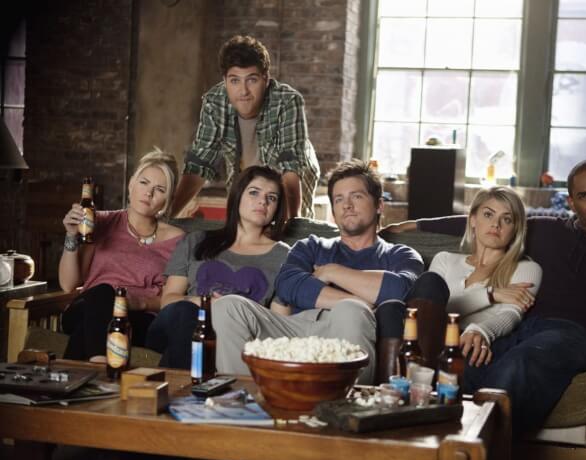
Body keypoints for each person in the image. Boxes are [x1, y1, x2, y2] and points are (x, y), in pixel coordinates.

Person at [384, 160, 586, 435]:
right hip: (524, 329)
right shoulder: (549, 230)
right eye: (584, 196)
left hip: (579, 339)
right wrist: (412, 226)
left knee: (521, 364)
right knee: (465, 365)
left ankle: (474, 451)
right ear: (571, 202)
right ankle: (433, 442)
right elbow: (490, 220)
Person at [211, 160, 424, 384]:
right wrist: (367, 299)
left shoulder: (401, 255)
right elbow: (288, 284)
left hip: (349, 329)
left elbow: (401, 290)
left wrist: (331, 271)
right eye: (339, 199)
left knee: (350, 310)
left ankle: (348, 403)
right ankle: (243, 397)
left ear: (379, 205)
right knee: (228, 306)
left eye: (356, 196)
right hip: (295, 329)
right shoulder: (312, 246)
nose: (347, 205)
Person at [145, 165, 290, 368]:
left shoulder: (285, 257)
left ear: (277, 209)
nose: (262, 201)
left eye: (271, 198)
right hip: (180, 322)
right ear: (237, 197)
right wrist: (209, 304)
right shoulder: (196, 241)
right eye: (254, 192)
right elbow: (168, 301)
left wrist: (231, 312)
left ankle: (185, 383)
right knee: (184, 313)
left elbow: (278, 324)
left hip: (235, 336)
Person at [171, 34, 320, 220]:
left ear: (265, 79)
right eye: (235, 81)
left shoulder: (287, 102)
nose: (243, 91)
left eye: (252, 80)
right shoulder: (215, 102)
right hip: (244, 178)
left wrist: (291, 225)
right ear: (225, 80)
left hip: (293, 178)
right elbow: (200, 165)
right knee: (243, 228)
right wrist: (168, 216)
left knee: (294, 225)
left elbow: (290, 168)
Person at [60, 148, 185, 360]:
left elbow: (170, 297)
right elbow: (68, 284)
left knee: (93, 326)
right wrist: (71, 235)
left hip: (138, 317)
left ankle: (77, 375)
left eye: (159, 189)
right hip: (90, 305)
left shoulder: (178, 239)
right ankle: (100, 364)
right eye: (144, 183)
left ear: (168, 200)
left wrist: (138, 302)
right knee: (104, 293)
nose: (149, 193)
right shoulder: (99, 221)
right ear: (131, 185)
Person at [427, 187, 542, 367]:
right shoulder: (444, 259)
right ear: (473, 219)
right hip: (431, 337)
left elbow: (511, 314)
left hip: (475, 344)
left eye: (507, 219)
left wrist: (481, 331)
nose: (496, 224)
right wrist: (491, 294)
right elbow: (431, 312)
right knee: (426, 285)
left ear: (515, 230)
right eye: (488, 214)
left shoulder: (527, 268)